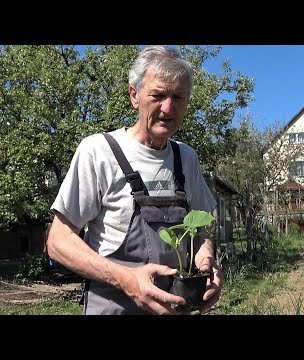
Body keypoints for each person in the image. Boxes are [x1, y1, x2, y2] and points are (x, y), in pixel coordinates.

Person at [47, 45, 223, 315]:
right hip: (112, 307)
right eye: (158, 95)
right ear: (134, 95)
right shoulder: (99, 151)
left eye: (178, 97)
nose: (168, 107)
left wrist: (207, 265)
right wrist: (128, 280)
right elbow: (58, 242)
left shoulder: (186, 158)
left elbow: (200, 231)